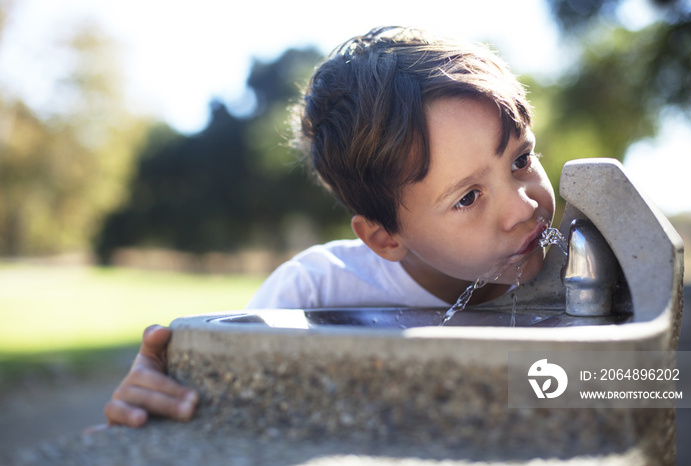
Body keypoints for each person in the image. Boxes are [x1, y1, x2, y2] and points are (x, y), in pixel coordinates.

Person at [103, 26, 556, 427]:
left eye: (521, 159)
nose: (522, 207)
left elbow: (617, 390)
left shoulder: (593, 258)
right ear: (385, 237)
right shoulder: (315, 294)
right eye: (468, 197)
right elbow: (235, 409)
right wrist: (160, 395)